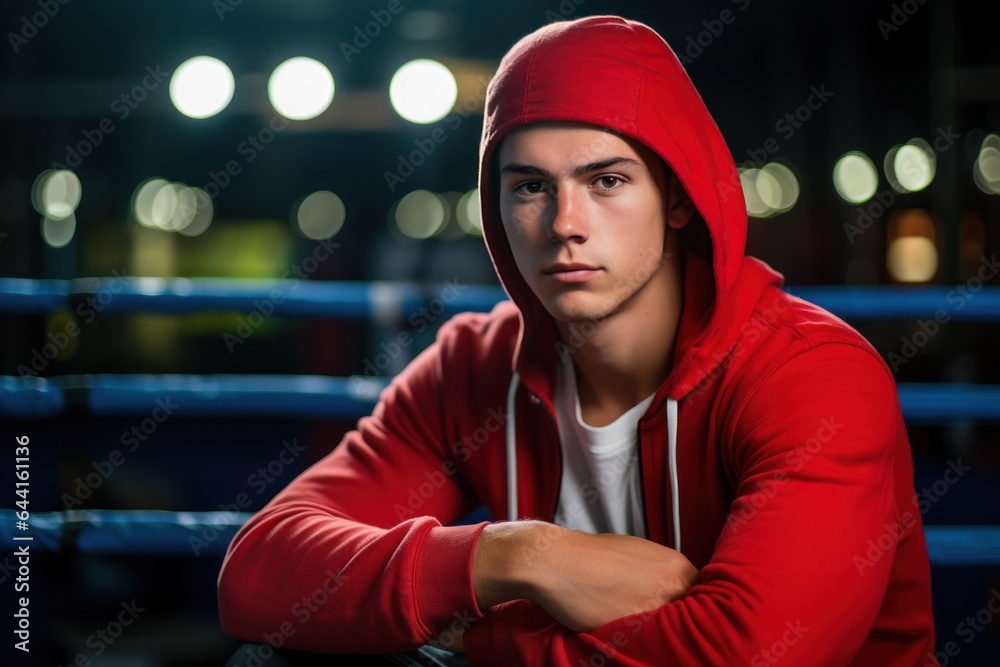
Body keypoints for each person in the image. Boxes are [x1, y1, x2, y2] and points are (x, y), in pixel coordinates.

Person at [218, 15, 936, 666]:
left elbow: (746, 654)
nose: (565, 222)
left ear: (678, 196)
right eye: (530, 186)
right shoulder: (475, 365)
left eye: (607, 180)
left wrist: (476, 636)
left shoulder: (812, 375)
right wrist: (520, 554)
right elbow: (257, 573)